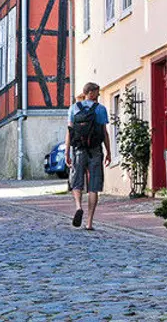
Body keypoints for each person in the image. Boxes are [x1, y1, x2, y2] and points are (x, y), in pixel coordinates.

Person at [65, 82, 111, 230]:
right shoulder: (100, 109)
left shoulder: (73, 108)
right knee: (94, 186)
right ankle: (89, 222)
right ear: (90, 93)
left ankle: (79, 207)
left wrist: (67, 152)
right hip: (95, 150)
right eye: (97, 92)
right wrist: (109, 152)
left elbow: (69, 132)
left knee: (76, 182)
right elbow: (104, 133)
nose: (98, 95)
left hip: (78, 150)